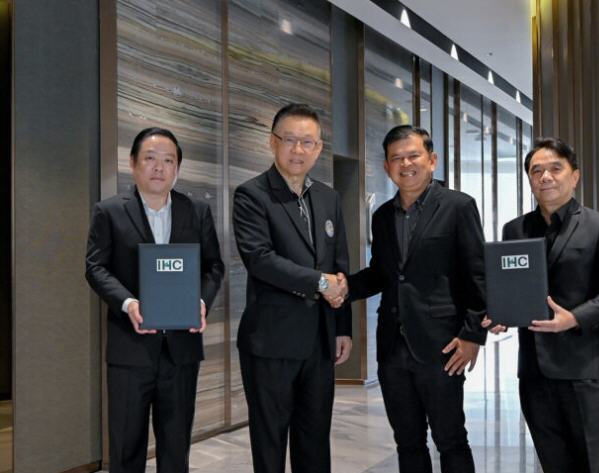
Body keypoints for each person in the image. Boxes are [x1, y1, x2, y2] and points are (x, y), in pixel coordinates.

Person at [483, 137, 599, 473]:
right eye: (536, 171)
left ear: (574, 176)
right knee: (553, 462)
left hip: (583, 365)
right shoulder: (515, 229)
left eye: (555, 168)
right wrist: (501, 314)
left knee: (595, 462)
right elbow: (510, 286)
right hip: (533, 369)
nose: (545, 177)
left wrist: (575, 318)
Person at [346, 125, 487, 473]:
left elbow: (478, 275)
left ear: (432, 160)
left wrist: (473, 335)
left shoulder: (458, 206)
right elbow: (382, 273)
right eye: (396, 158)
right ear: (386, 167)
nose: (405, 164)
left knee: (451, 440)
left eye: (413, 156)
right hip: (392, 347)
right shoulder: (382, 216)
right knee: (407, 442)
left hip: (442, 347)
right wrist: (342, 287)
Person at [85, 127, 225, 473]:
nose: (159, 167)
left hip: (181, 350)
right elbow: (95, 267)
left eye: (168, 160)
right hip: (130, 349)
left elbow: (214, 266)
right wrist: (128, 303)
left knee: (176, 448)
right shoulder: (109, 211)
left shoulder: (196, 211)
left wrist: (201, 302)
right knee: (126, 447)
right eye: (150, 158)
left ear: (177, 168)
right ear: (133, 163)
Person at [232, 103, 352, 473]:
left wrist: (342, 327)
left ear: (319, 148)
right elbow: (260, 259)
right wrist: (320, 282)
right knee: (270, 443)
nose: (298, 150)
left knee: (315, 440)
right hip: (271, 343)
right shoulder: (252, 195)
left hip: (319, 342)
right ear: (273, 142)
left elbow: (340, 266)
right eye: (289, 140)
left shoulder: (329, 197)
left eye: (307, 142)